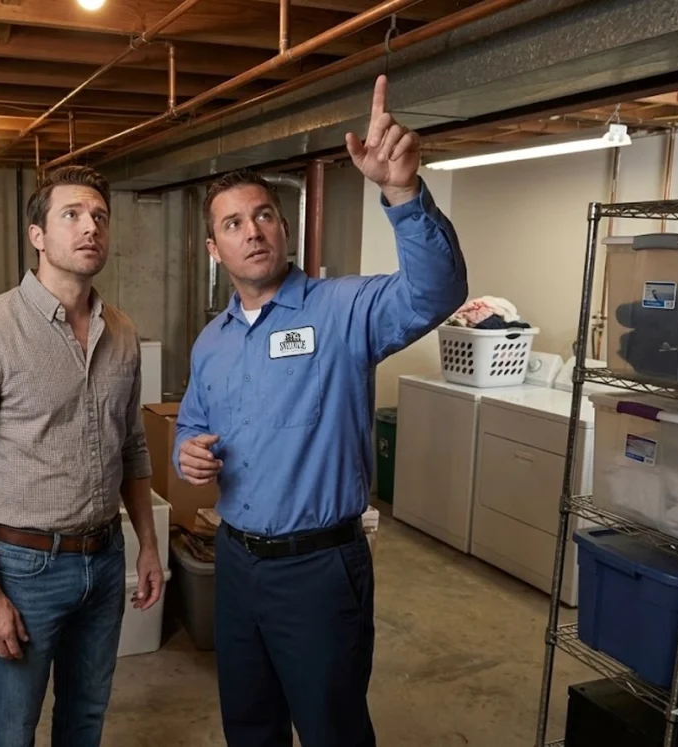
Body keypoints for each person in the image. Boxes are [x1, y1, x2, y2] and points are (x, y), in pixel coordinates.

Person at [173, 74, 468, 747]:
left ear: (283, 227)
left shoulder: (343, 311)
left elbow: (437, 289)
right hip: (236, 564)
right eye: (233, 223)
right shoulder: (212, 340)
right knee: (249, 725)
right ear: (215, 251)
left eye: (264, 215)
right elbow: (191, 424)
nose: (253, 231)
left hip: (317, 570)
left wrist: (401, 192)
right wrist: (184, 451)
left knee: (332, 729)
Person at [0, 165, 165, 747]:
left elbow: (130, 446)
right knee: (10, 731)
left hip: (105, 558)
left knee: (84, 723)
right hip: (24, 568)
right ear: (37, 235)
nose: (91, 227)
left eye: (100, 217)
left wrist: (148, 547)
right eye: (72, 215)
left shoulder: (123, 331)